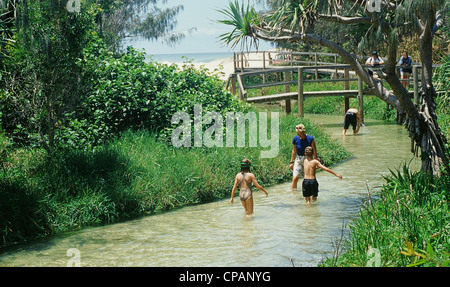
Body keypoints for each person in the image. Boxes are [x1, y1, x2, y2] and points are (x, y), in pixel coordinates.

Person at [289, 124, 317, 190]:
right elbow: (294, 151)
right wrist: (291, 162)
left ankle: (310, 191)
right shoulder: (295, 138)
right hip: (299, 159)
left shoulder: (310, 138)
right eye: (298, 134)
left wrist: (315, 162)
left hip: (308, 159)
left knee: (309, 177)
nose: (300, 136)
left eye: (300, 134)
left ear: (304, 132)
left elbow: (314, 151)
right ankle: (294, 194)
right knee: (295, 178)